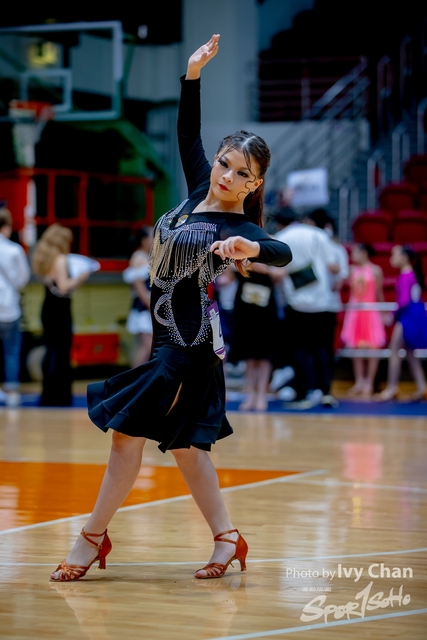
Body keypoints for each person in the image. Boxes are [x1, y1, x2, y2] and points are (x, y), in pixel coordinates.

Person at [50, 35, 292, 583]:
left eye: (242, 174)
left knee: (126, 437)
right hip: (170, 340)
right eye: (225, 164)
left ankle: (91, 537)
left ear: (255, 183)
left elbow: (282, 251)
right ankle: (228, 539)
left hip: (188, 345)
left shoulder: (240, 225)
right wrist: (192, 74)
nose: (227, 177)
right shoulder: (196, 189)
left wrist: (251, 248)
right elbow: (187, 132)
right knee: (186, 448)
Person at [274, 208, 339, 406]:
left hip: (296, 303)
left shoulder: (281, 237)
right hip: (323, 302)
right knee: (322, 349)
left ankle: (304, 392)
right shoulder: (320, 235)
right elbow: (333, 267)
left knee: (299, 350)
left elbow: (277, 275)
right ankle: (325, 391)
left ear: (279, 224)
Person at [31, 224, 91, 406]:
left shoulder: (45, 258)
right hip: (60, 310)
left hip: (48, 307)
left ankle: (48, 394)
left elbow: (56, 286)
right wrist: (80, 277)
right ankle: (60, 396)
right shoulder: (60, 259)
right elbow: (64, 287)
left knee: (51, 350)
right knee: (62, 352)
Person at [305, 209, 349, 406]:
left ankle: (325, 389)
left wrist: (334, 275)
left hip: (328, 305)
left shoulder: (336, 249)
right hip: (309, 304)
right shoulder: (311, 247)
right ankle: (311, 387)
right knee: (310, 347)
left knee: (325, 348)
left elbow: (341, 275)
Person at [228, 260, 284, 411]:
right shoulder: (243, 251)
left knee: (265, 353)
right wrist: (247, 265)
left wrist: (266, 269)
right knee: (248, 353)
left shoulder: (272, 251)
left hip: (266, 307)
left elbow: (282, 274)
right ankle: (251, 394)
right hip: (245, 307)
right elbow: (229, 272)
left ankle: (262, 394)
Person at [376, 244, 427, 401]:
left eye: (395, 255)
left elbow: (403, 301)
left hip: (407, 316)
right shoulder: (412, 274)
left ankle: (392, 388)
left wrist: (392, 316)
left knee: (394, 350)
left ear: (404, 258)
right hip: (415, 314)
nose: (392, 259)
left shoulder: (406, 276)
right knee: (410, 353)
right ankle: (422, 387)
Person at [341, 243, 386, 397]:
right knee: (356, 349)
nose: (352, 256)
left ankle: (369, 382)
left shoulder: (375, 270)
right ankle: (359, 382)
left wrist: (383, 311)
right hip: (355, 312)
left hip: (370, 311)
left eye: (355, 252)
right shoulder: (351, 270)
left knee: (373, 348)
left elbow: (379, 292)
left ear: (364, 253)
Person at [0, 208, 31, 407]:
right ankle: (12, 393)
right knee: (11, 351)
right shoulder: (14, 250)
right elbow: (22, 280)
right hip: (9, 306)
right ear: (7, 226)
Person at [123, 226, 153, 367]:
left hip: (150, 306)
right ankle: (135, 378)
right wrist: (150, 305)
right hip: (144, 308)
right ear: (144, 240)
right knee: (147, 346)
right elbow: (139, 286)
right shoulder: (138, 257)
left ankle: (140, 377)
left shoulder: (149, 256)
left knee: (146, 346)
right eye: (153, 237)